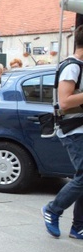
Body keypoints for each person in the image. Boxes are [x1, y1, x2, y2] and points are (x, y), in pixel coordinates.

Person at [43, 25, 83, 239]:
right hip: (74, 129)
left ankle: (78, 226)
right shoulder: (72, 67)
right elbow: (65, 101)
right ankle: (53, 209)